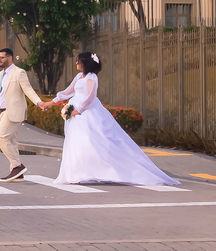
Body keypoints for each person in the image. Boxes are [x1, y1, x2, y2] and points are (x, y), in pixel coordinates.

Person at [38, 53, 178, 186]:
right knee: (77, 142)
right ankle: (79, 172)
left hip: (87, 112)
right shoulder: (79, 76)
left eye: (79, 60)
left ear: (85, 63)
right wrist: (51, 103)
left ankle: (107, 170)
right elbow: (67, 92)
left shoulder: (91, 77)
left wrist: (78, 110)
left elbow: (90, 96)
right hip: (75, 112)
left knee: (95, 141)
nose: (76, 63)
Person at [0, 48, 43, 182]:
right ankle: (17, 173)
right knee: (11, 141)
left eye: (2, 57)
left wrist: (39, 102)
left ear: (10, 58)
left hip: (14, 111)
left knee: (1, 138)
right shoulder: (0, 75)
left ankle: (17, 166)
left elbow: (28, 89)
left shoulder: (19, 72)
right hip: (2, 112)